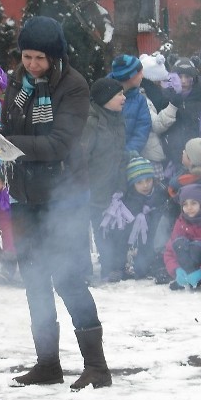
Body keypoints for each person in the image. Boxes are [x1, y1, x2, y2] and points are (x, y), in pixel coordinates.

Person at [0, 15, 111, 390]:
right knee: (34, 278)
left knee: (67, 278)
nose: (31, 65)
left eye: (39, 59)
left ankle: (97, 366)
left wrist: (7, 146)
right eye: (27, 57)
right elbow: (7, 128)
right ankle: (47, 363)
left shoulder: (73, 87)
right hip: (24, 196)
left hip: (64, 196)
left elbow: (59, 144)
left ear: (55, 57)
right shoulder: (17, 82)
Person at [82, 77, 128, 283]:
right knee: (82, 227)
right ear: (105, 98)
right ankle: (82, 270)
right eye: (119, 94)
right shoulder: (92, 121)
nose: (123, 98)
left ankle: (111, 266)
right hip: (90, 185)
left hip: (111, 183)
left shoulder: (117, 118)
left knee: (106, 227)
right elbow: (81, 155)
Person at [109, 54, 152, 156]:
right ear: (130, 76)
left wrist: (126, 153)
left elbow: (142, 130)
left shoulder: (140, 100)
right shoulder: (103, 95)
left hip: (127, 157)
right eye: (140, 72)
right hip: (103, 158)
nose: (142, 76)